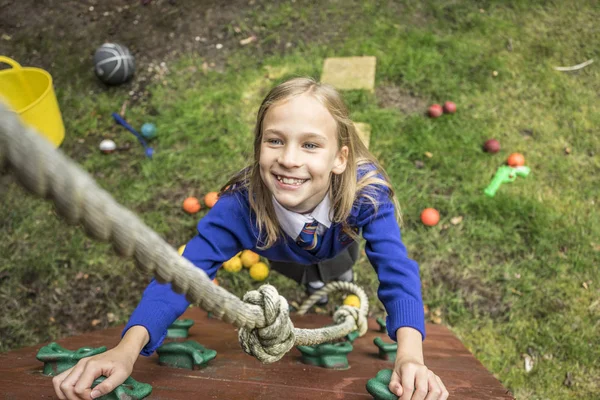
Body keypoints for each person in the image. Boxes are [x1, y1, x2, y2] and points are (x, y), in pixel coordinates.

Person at [53, 77, 449, 400]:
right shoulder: (240, 208)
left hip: (338, 242)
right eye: (275, 140)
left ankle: (322, 282)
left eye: (310, 144)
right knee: (298, 271)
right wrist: (127, 349)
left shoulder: (365, 197)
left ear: (339, 158)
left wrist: (410, 355)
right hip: (277, 248)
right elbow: (182, 273)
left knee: (333, 268)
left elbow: (396, 271)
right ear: (259, 144)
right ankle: (311, 280)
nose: (289, 159)